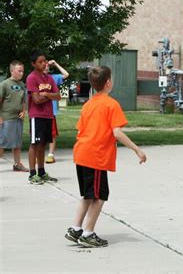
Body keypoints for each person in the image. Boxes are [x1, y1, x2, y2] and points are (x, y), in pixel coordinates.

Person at [65, 66, 146, 248]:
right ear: (108, 82)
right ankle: (88, 233)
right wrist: (136, 149)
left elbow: (81, 129)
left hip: (82, 153)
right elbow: (117, 132)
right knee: (99, 196)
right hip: (96, 156)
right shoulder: (111, 104)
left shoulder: (88, 104)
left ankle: (75, 229)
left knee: (87, 194)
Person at [26, 52, 61, 185]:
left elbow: (58, 96)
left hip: (48, 114)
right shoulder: (31, 78)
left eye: (45, 61)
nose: (44, 63)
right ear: (33, 64)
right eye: (40, 62)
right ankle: (32, 174)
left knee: (43, 145)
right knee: (35, 144)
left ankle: (41, 172)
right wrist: (50, 95)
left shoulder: (49, 78)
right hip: (37, 115)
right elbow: (36, 100)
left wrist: (46, 93)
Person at [0, 61, 28, 172]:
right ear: (12, 71)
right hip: (6, 118)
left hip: (18, 118)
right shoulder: (4, 84)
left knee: (17, 143)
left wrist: (23, 111)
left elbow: (24, 100)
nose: (21, 73)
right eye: (19, 71)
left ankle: (17, 164)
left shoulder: (22, 85)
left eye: (22, 71)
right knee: (2, 142)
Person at [44, 60, 69, 164]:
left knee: (52, 134)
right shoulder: (35, 78)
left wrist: (56, 64)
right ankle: (38, 154)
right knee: (39, 134)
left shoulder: (53, 78)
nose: (45, 67)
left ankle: (50, 154)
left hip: (51, 112)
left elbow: (66, 74)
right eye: (43, 65)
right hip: (40, 111)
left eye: (47, 66)